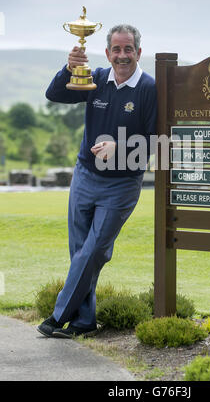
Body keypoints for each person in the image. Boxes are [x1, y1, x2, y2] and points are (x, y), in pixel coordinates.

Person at [37, 24, 157, 338]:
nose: (121, 55)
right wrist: (69, 67)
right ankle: (85, 322)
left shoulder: (148, 88)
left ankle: (58, 315)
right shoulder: (97, 79)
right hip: (85, 175)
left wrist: (121, 146)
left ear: (138, 52)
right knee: (82, 252)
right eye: (116, 49)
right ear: (107, 53)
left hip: (122, 184)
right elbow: (55, 94)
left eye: (128, 49)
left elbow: (158, 140)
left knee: (93, 250)